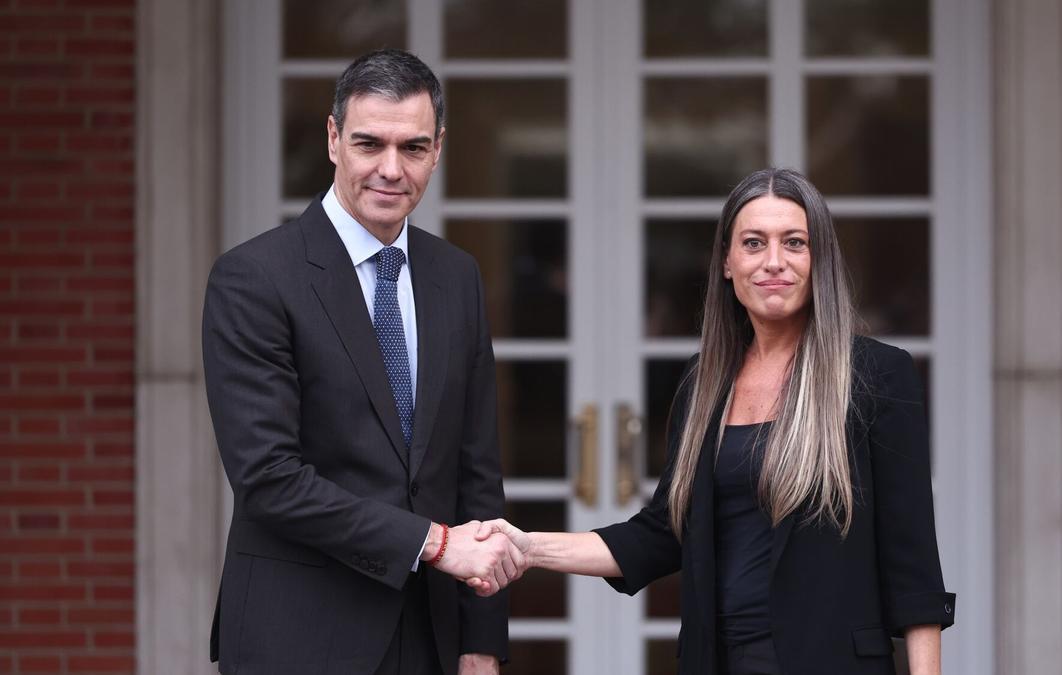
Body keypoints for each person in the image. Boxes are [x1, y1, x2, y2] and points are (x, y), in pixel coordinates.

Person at [472, 168, 955, 674]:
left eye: (795, 242)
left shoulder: (877, 375)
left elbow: (913, 565)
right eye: (753, 243)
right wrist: (526, 548)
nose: (774, 262)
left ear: (819, 260)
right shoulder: (702, 385)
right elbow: (661, 535)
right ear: (727, 262)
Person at [202, 49, 520, 675]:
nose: (391, 170)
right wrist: (433, 543)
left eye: (414, 148)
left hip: (430, 636)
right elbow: (268, 478)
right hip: (297, 636)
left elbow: (475, 470)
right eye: (369, 144)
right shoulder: (254, 279)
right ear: (333, 139)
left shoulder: (455, 276)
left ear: (438, 148)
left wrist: (481, 639)